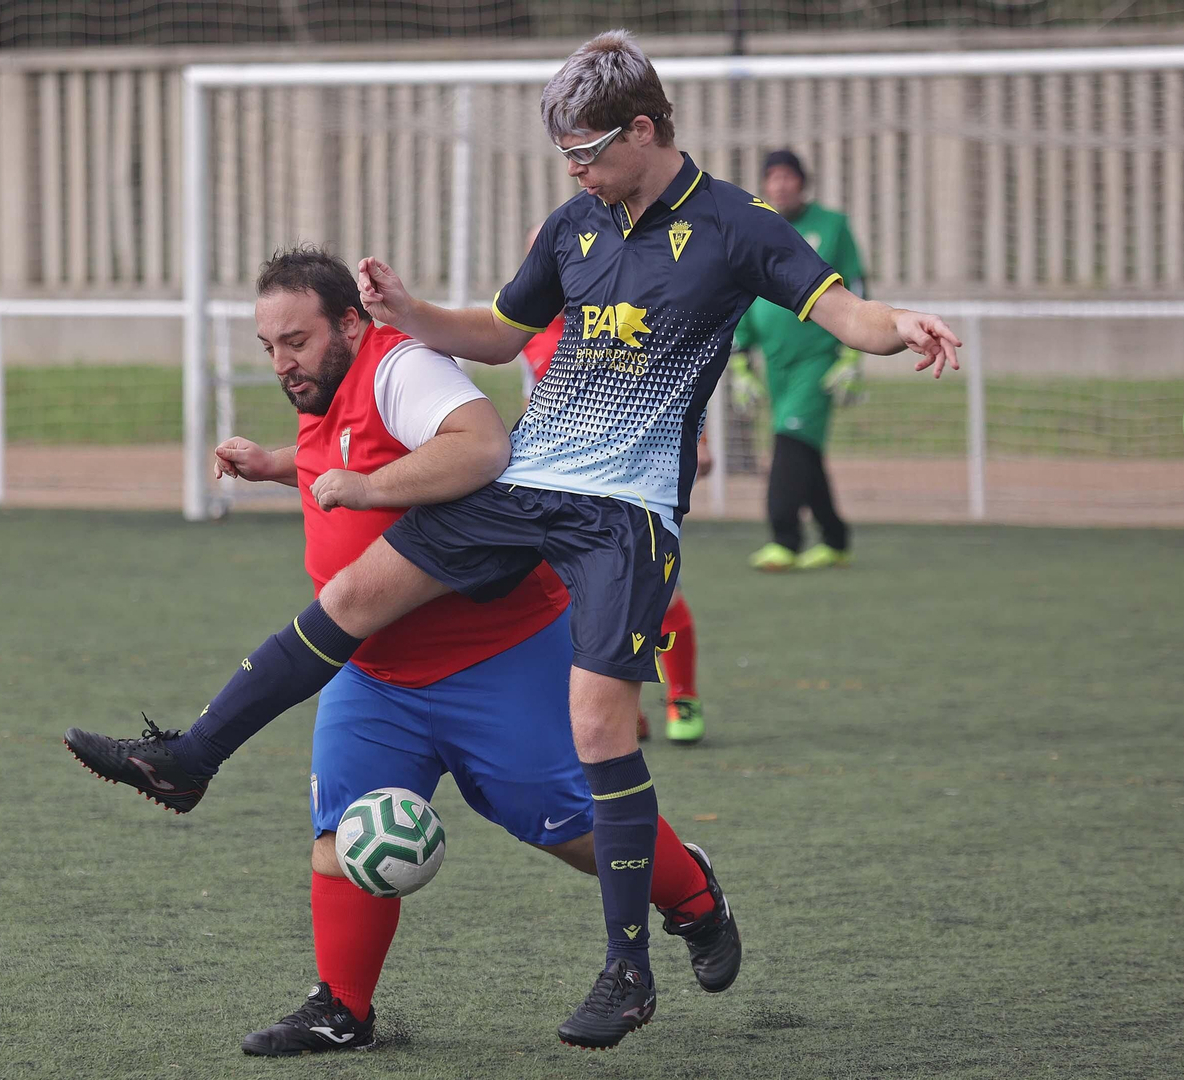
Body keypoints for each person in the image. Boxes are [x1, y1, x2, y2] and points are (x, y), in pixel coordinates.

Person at [64, 29, 959, 1051]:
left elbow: (841, 310)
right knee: (358, 593)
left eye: (586, 150)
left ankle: (628, 969)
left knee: (596, 727)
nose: (574, 171)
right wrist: (410, 311)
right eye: (564, 156)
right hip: (528, 487)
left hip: (624, 513)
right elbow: (497, 330)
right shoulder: (576, 222)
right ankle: (189, 759)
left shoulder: (735, 225)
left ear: (644, 128)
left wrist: (903, 327)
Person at [156, 247, 737, 1056]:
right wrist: (277, 466)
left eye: (296, 339)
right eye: (270, 346)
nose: (283, 361)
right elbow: (352, 455)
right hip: (375, 672)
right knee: (340, 836)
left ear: (351, 323)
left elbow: (476, 448)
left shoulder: (407, 368)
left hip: (493, 656)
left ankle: (695, 897)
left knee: (572, 829)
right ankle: (341, 1009)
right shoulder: (323, 384)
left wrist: (356, 490)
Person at [518, 224, 709, 745]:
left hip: (631, 490)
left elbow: (670, 380)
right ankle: (621, 712)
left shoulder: (624, 312)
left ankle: (682, 697)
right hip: (560, 491)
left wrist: (700, 439)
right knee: (580, 612)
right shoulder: (531, 330)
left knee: (659, 601)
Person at [728, 149, 867, 571]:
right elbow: (745, 292)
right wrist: (740, 364)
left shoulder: (832, 226)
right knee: (802, 448)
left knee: (789, 445)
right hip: (776, 365)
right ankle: (835, 538)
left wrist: (851, 357)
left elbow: (857, 285)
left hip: (818, 360)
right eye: (773, 177)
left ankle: (784, 539)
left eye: (788, 176)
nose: (780, 185)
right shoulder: (758, 228)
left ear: (802, 182)